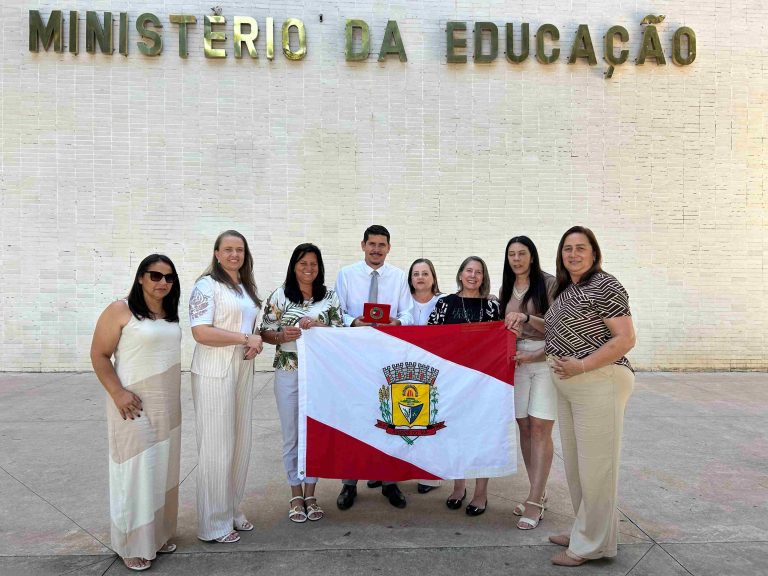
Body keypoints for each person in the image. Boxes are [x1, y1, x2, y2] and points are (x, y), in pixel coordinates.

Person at [543, 226, 636, 567]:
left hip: (600, 381)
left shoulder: (605, 284)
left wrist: (581, 365)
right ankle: (587, 529)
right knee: (580, 469)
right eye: (567, 248)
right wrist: (526, 319)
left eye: (581, 248)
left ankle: (592, 546)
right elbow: (557, 330)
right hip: (572, 387)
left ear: (594, 253)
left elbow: (625, 339)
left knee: (597, 469)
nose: (573, 254)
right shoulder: (567, 288)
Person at [90, 254, 181, 572]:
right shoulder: (120, 309)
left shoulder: (169, 313)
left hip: (167, 407)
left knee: (161, 470)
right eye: (155, 276)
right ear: (141, 277)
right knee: (134, 472)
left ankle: (156, 535)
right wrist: (117, 392)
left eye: (169, 278)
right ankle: (131, 543)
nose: (163, 283)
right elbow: (99, 355)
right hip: (131, 406)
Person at [189, 230, 263, 544]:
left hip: (242, 366)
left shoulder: (244, 287)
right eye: (228, 250)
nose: (234, 255)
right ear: (217, 253)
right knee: (217, 446)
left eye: (240, 250)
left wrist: (254, 343)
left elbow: (250, 326)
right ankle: (213, 523)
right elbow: (200, 332)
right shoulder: (206, 286)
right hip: (213, 368)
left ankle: (231, 509)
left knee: (239, 442)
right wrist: (244, 339)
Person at [260, 243, 344, 523]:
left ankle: (311, 492)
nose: (308, 269)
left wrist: (321, 327)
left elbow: (341, 332)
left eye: (313, 264)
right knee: (292, 434)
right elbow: (265, 332)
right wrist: (282, 335)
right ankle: (295, 493)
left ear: (319, 267)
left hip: (319, 374)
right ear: (294, 266)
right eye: (303, 263)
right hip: (288, 370)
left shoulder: (329, 297)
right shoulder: (280, 295)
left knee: (314, 432)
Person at [335, 224, 414, 510]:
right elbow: (337, 311)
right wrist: (353, 322)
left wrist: (398, 322)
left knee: (389, 417)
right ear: (363, 245)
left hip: (388, 356)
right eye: (372, 244)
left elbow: (408, 311)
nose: (377, 249)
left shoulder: (398, 277)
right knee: (355, 416)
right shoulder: (346, 274)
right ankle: (349, 483)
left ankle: (390, 481)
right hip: (355, 356)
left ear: (389, 248)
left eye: (382, 245)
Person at [427, 256, 501, 516]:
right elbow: (430, 338)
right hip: (452, 380)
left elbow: (501, 342)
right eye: (469, 271)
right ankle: (459, 487)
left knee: (482, 436)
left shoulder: (492, 306)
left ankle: (481, 493)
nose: (473, 276)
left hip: (484, 381)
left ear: (483, 277)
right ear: (460, 274)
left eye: (478, 272)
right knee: (456, 434)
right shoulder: (444, 303)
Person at [500, 236, 557, 530]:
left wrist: (526, 317)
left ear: (532, 256)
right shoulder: (506, 287)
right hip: (518, 363)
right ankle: (538, 490)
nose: (517, 259)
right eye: (512, 254)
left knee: (540, 427)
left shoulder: (548, 283)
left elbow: (559, 325)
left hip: (544, 360)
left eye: (522, 253)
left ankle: (534, 501)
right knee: (523, 426)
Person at [408, 258, 443, 495]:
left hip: (434, 371)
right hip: (404, 370)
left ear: (433, 277)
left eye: (425, 273)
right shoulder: (402, 303)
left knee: (429, 423)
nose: (420, 277)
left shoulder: (444, 302)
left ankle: (429, 474)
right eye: (416, 274)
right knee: (403, 424)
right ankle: (391, 471)